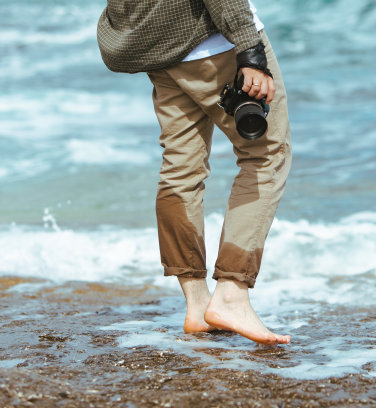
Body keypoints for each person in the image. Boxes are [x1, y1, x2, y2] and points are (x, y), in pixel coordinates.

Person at [97, 0, 292, 344]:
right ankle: (231, 294)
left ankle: (197, 303)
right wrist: (250, 51)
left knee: (180, 168)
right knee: (265, 155)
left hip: (157, 46)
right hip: (214, 41)